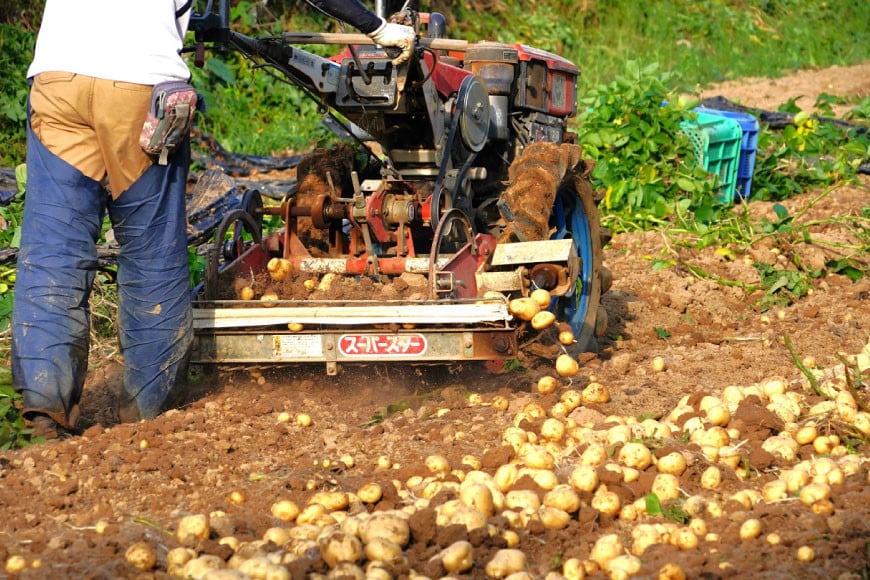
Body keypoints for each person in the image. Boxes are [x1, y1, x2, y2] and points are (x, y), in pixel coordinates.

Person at [12, 0, 415, 439]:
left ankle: (44, 410)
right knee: (150, 248)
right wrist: (376, 28)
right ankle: (147, 410)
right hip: (138, 86)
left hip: (56, 81)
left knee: (55, 246)